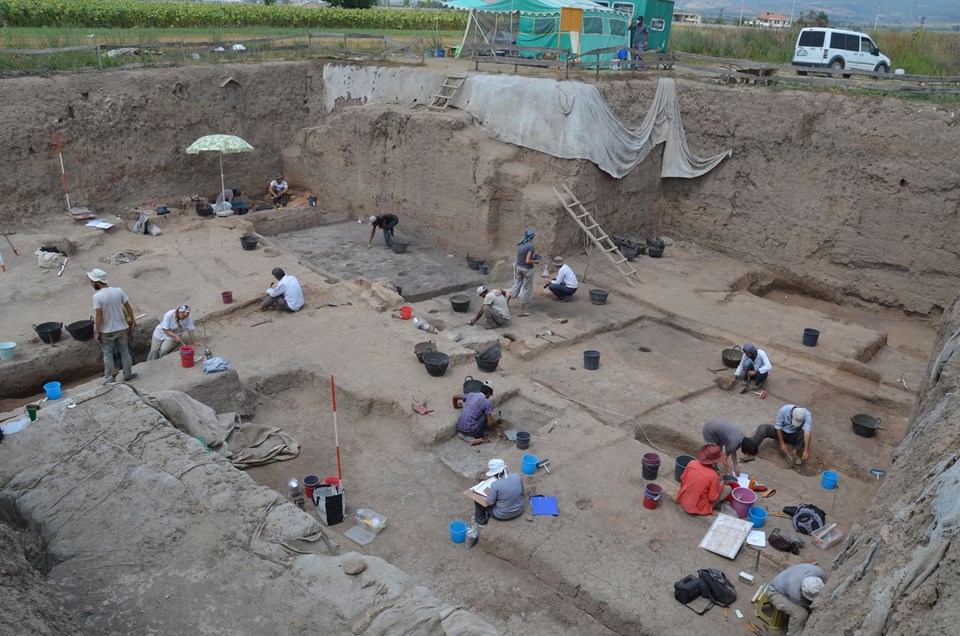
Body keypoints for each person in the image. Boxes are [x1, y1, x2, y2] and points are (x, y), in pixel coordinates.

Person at [88, 268, 137, 384]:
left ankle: (109, 378)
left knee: (108, 354)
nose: (90, 283)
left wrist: (97, 331)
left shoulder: (97, 297)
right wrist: (133, 320)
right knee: (124, 351)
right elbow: (128, 307)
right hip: (121, 327)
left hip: (107, 330)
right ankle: (127, 374)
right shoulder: (118, 291)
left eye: (91, 281)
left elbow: (99, 316)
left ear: (97, 282)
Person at [766, 563, 827, 635]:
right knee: (801, 614)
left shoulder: (820, 574)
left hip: (787, 580)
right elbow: (807, 606)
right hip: (774, 591)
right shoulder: (795, 593)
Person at [744, 404, 813, 466]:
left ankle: (795, 451)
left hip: (794, 435)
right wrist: (781, 443)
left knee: (805, 433)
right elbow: (778, 427)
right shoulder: (784, 410)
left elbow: (807, 433)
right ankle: (751, 452)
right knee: (763, 428)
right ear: (791, 415)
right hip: (781, 432)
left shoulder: (807, 414)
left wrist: (806, 450)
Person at [676, 445, 733, 516]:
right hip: (696, 507)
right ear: (716, 461)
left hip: (683, 498)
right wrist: (721, 484)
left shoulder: (692, 463)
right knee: (728, 488)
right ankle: (710, 507)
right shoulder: (713, 476)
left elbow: (682, 479)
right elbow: (712, 497)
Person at [473, 458, 525, 527]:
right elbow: (522, 493)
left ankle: (481, 522)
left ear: (494, 473)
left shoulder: (495, 485)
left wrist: (489, 495)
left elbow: (490, 503)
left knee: (477, 500)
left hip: (503, 515)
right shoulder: (516, 476)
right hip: (519, 509)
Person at [509, 229, 539, 317]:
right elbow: (528, 260)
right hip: (527, 269)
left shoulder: (521, 244)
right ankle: (521, 310)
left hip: (519, 267)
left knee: (517, 284)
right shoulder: (530, 246)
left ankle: (507, 300)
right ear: (532, 237)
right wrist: (536, 262)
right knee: (526, 288)